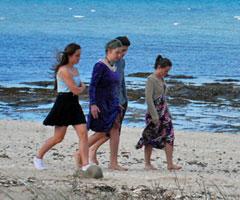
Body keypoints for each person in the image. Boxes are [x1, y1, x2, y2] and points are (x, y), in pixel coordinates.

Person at [33, 43, 91, 172]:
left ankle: (86, 165)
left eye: (80, 55)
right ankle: (38, 157)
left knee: (83, 133)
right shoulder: (63, 70)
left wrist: (81, 88)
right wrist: (82, 88)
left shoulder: (75, 70)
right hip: (63, 103)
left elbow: (79, 88)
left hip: (74, 103)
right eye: (77, 55)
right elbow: (76, 89)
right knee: (58, 137)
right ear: (70, 55)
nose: (79, 58)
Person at [88, 36, 131, 166]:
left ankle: (111, 161)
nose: (121, 54)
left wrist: (123, 99)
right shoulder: (103, 65)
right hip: (107, 103)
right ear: (110, 50)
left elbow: (120, 82)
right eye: (119, 51)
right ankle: (85, 152)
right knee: (105, 132)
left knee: (114, 130)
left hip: (118, 101)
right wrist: (93, 103)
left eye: (124, 51)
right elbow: (94, 85)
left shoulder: (120, 62)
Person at [136, 55, 182, 171]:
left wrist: (168, 112)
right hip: (154, 113)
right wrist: (155, 116)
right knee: (150, 137)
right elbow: (148, 99)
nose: (166, 73)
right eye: (165, 71)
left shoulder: (162, 79)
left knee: (169, 136)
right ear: (159, 67)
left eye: (168, 71)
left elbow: (163, 98)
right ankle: (147, 164)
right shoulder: (151, 79)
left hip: (164, 112)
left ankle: (170, 164)